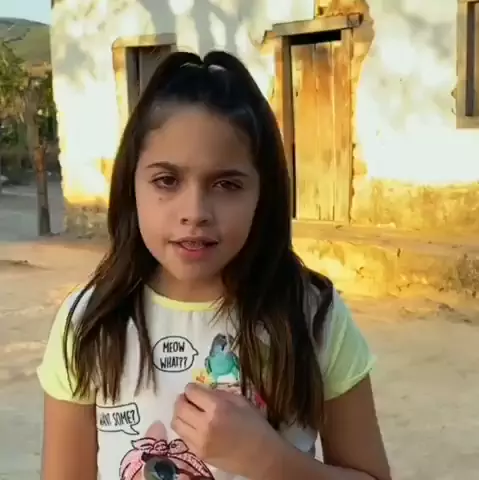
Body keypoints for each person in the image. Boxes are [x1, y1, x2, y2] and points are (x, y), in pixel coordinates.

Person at [38, 50, 391, 480]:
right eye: (167, 180)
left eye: (226, 184)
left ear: (263, 194)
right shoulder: (89, 324)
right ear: (131, 185)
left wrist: (268, 459)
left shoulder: (314, 317)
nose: (195, 212)